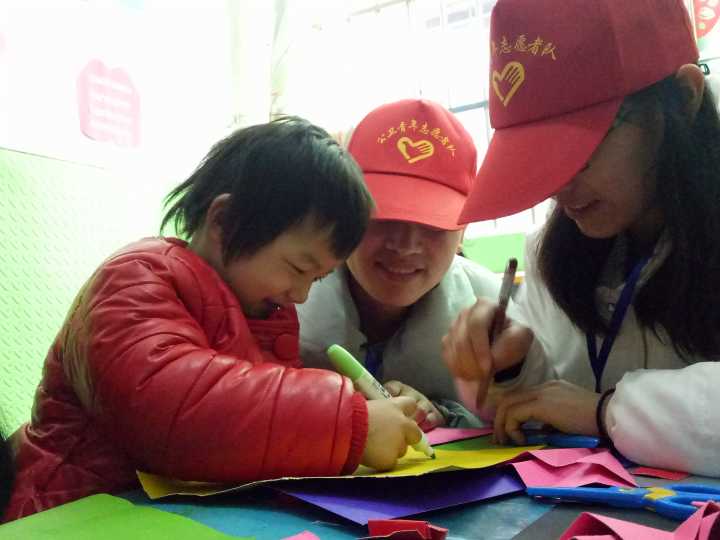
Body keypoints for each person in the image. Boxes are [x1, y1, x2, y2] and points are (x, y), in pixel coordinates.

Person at [3, 116, 425, 522]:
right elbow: (169, 408)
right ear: (224, 221)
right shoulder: (135, 278)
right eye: (299, 268)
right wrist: (348, 423)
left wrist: (364, 411)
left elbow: (256, 421)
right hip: (66, 513)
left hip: (164, 513)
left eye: (316, 279)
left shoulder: (262, 311)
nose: (300, 295)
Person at [442, 0, 720, 477]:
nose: (559, 184)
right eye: (539, 159)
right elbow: (550, 405)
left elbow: (583, 407)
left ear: (684, 96)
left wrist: (605, 411)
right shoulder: (552, 253)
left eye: (583, 151)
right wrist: (512, 365)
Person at [298, 99, 507, 430]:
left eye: (433, 224)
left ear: (463, 229)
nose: (406, 245)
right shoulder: (281, 303)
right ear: (344, 214)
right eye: (384, 216)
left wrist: (447, 415)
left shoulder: (497, 315)